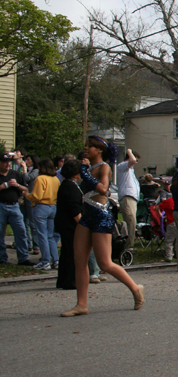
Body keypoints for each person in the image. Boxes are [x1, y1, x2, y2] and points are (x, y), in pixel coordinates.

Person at [61, 136, 145, 317]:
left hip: (101, 216)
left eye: (90, 146)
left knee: (105, 263)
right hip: (87, 215)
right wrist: (84, 171)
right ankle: (81, 304)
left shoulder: (104, 167)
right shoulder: (89, 168)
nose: (86, 148)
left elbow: (103, 188)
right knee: (79, 260)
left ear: (99, 150)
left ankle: (135, 288)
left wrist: (84, 173)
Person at [25, 158, 60, 269]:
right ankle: (55, 259)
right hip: (53, 206)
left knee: (42, 234)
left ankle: (45, 260)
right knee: (50, 236)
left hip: (41, 206)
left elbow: (37, 196)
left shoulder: (40, 179)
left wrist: (27, 195)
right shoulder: (56, 179)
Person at [0, 153, 33, 266]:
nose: (8, 164)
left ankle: (23, 258)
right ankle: (2, 258)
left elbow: (26, 188)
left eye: (9, 162)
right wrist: (3, 186)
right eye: (5, 162)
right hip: (1, 206)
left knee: (21, 231)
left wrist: (17, 185)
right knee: (0, 233)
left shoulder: (15, 174)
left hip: (14, 206)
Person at [55, 160, 83, 289]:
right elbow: (74, 209)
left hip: (64, 222)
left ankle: (63, 279)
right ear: (75, 173)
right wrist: (83, 225)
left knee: (66, 252)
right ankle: (70, 280)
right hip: (69, 224)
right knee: (72, 252)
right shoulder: (70, 187)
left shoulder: (67, 184)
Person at [117, 149, 140, 252]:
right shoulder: (122, 166)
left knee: (132, 222)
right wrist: (129, 151)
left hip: (132, 198)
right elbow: (132, 161)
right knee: (131, 221)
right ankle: (128, 247)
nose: (136, 162)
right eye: (137, 160)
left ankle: (129, 245)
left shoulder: (130, 169)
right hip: (127, 197)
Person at [158, 195, 177, 261]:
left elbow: (158, 207)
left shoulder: (168, 201)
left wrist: (160, 215)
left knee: (169, 240)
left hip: (171, 222)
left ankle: (169, 256)